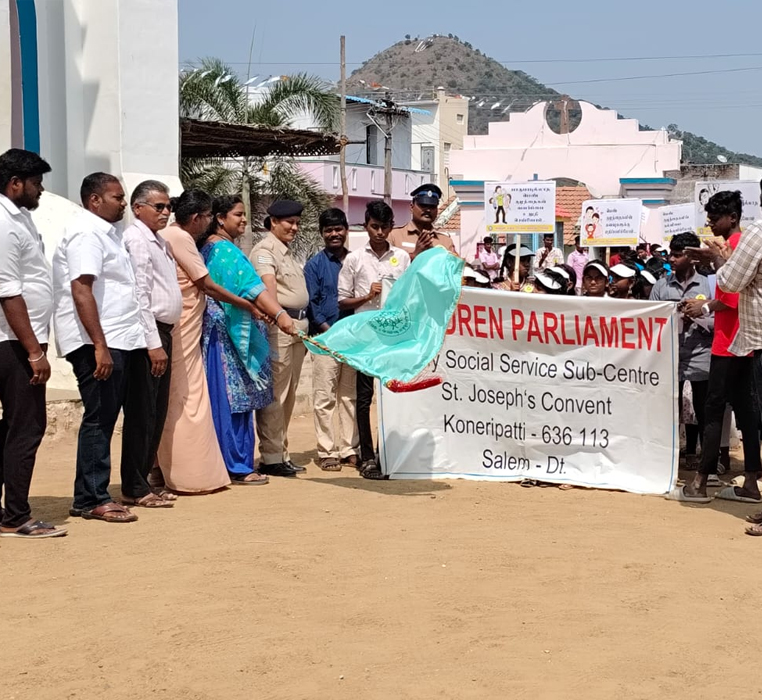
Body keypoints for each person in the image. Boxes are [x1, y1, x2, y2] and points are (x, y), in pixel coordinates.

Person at [53, 173, 145, 523]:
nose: (123, 204)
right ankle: (91, 497)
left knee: (105, 416)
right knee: (99, 417)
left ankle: (91, 494)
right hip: (96, 341)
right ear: (95, 200)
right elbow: (81, 289)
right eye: (117, 197)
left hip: (117, 339)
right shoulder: (86, 233)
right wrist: (99, 345)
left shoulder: (109, 234)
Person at [672, 190, 761, 504]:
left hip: (730, 341)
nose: (709, 223)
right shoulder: (736, 244)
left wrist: (705, 307)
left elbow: (731, 296)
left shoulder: (738, 246)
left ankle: (700, 481)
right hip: (741, 340)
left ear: (732, 218)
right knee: (746, 411)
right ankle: (749, 481)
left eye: (714, 218)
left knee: (712, 410)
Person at [199, 195, 294, 484]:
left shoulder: (211, 248)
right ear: (220, 218)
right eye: (238, 214)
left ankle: (229, 462)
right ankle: (237, 464)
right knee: (234, 400)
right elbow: (252, 288)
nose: (244, 220)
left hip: (221, 331)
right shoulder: (224, 251)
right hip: (228, 335)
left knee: (229, 399)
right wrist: (280, 315)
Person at [158, 190, 246, 493]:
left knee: (178, 398)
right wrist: (247, 304)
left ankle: (166, 469)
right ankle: (192, 476)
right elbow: (207, 284)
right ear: (197, 217)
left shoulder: (170, 236)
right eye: (208, 216)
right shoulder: (180, 237)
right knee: (188, 399)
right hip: (182, 331)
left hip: (184, 328)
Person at [0, 149, 66, 539]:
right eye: (36, 183)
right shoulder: (4, 224)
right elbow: (8, 292)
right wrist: (34, 352)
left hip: (17, 340)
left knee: (12, 428)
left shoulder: (19, 217)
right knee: (26, 428)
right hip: (13, 343)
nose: (40, 189)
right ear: (15, 183)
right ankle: (16, 517)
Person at [119, 180, 182, 509]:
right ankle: (133, 485)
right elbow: (140, 294)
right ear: (138, 208)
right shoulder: (137, 239)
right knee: (142, 412)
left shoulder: (159, 241)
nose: (166, 212)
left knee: (156, 411)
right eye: (159, 206)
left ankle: (142, 480)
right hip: (149, 333)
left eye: (168, 206)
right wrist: (152, 343)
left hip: (164, 331)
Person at [339, 200, 410, 479]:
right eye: (374, 226)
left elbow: (409, 295)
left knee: (392, 395)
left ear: (392, 227)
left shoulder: (402, 258)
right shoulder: (355, 259)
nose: (379, 232)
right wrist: (367, 296)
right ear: (366, 226)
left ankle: (389, 453)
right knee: (365, 396)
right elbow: (343, 301)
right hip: (366, 336)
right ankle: (367, 456)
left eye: (384, 227)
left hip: (393, 336)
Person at [251, 200, 310, 477]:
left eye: (297, 223)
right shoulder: (265, 251)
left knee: (290, 394)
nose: (294, 227)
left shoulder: (287, 252)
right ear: (273, 222)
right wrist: (280, 318)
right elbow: (268, 289)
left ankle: (281, 453)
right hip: (280, 326)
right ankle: (272, 456)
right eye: (289, 222)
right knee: (277, 394)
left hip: (297, 326)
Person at [650, 232, 713, 470]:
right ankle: (667, 459)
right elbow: (650, 320)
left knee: (704, 408)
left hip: (701, 354)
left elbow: (720, 320)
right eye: (671, 254)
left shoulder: (708, 285)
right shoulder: (661, 286)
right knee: (668, 408)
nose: (672, 259)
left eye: (677, 255)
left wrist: (698, 317)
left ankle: (707, 462)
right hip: (670, 356)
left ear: (692, 258)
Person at [304, 208, 359, 472]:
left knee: (349, 397)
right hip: (324, 340)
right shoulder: (314, 265)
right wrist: (329, 334)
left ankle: (350, 449)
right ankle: (327, 451)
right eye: (329, 230)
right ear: (322, 233)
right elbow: (312, 305)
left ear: (346, 230)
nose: (334, 234)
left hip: (354, 341)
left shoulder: (357, 260)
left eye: (338, 229)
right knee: (324, 398)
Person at [389, 183, 456, 259]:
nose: (428, 210)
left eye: (432, 206)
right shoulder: (394, 236)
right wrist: (414, 255)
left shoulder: (445, 241)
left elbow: (454, 265)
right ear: (411, 207)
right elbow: (386, 264)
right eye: (423, 205)